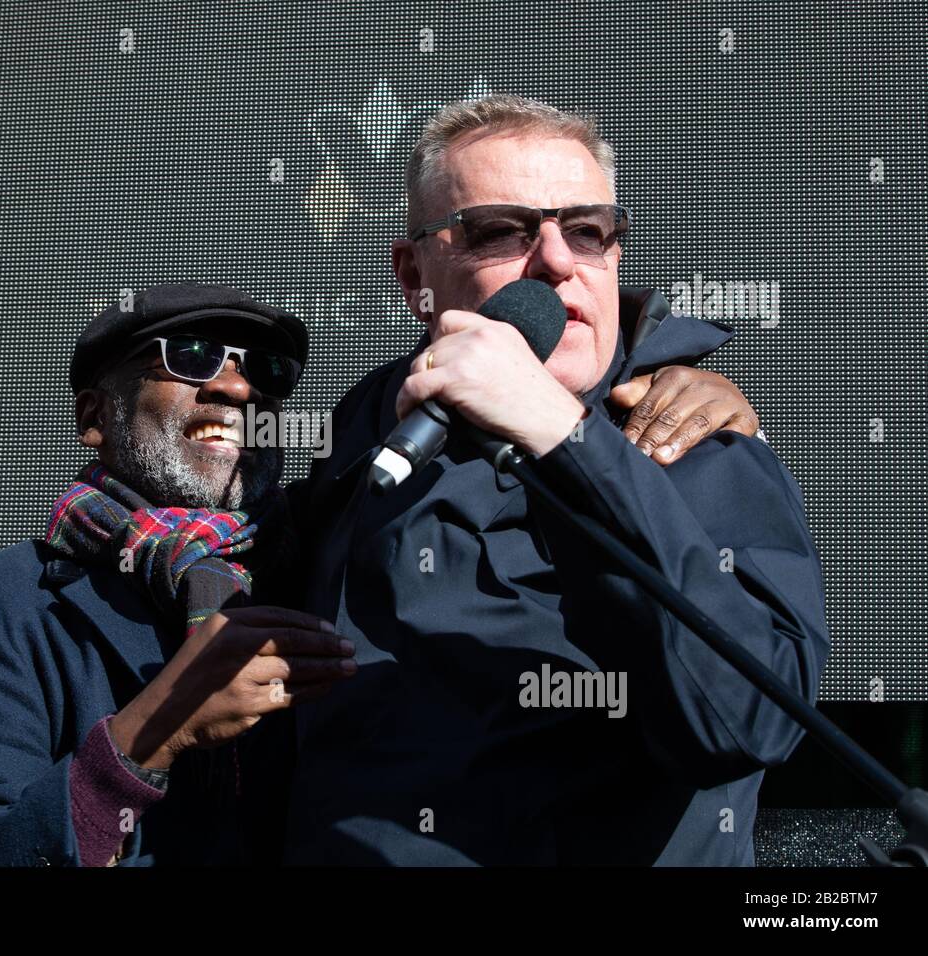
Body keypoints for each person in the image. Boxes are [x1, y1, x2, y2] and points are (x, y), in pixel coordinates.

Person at [280, 93, 829, 864]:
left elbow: (745, 721)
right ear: (414, 275)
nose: (559, 262)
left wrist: (566, 442)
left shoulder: (691, 440)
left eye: (586, 231)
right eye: (500, 231)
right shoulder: (376, 417)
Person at [0, 284, 356, 866]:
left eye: (267, 369)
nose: (237, 388)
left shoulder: (338, 573)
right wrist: (152, 732)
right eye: (189, 354)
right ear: (95, 416)